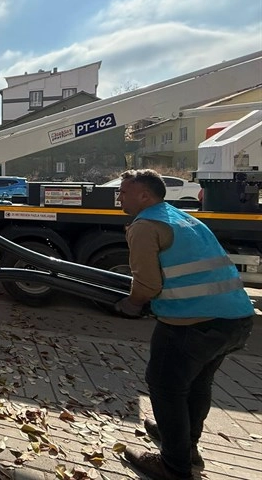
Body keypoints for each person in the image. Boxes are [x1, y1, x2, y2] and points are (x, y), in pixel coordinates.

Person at [115, 169, 254, 480]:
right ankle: (184, 445)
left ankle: (174, 466)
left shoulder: (145, 225)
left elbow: (148, 284)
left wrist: (130, 303)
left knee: (166, 386)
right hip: (235, 319)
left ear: (144, 196)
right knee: (196, 384)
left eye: (124, 191)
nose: (119, 196)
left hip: (192, 322)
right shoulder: (180, 217)